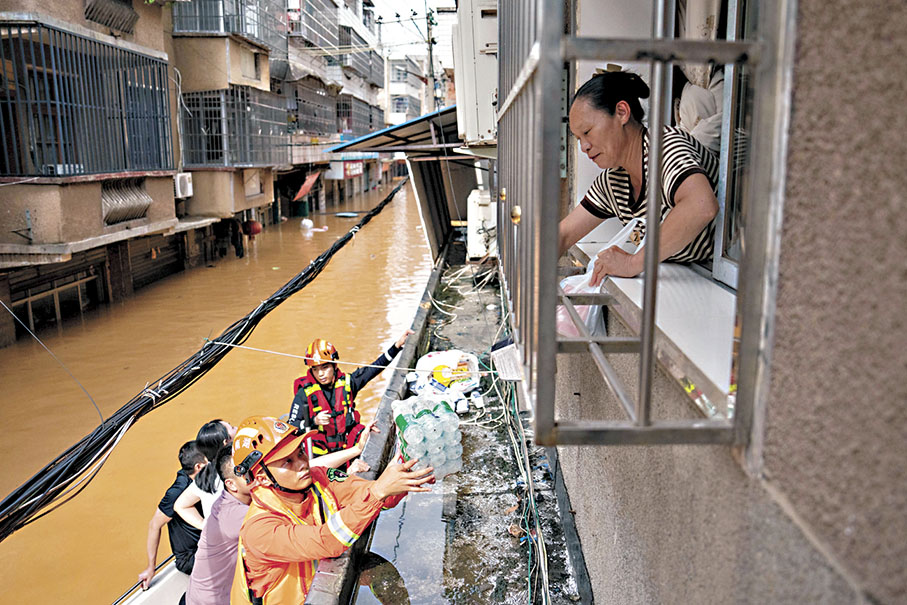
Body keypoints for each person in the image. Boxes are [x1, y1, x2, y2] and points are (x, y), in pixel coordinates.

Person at [230, 416, 433, 604]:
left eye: (300, 452)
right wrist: (379, 491)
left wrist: (409, 472)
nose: (302, 463)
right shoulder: (259, 530)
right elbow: (326, 541)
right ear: (263, 478)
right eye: (287, 462)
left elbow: (372, 495)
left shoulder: (319, 478)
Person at [558, 71, 720, 286]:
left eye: (588, 132)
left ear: (622, 112)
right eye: (579, 138)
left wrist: (633, 263)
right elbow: (564, 234)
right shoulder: (614, 181)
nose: (584, 146)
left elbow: (701, 206)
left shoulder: (664, 147)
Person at [288, 331, 414, 461]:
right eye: (315, 369)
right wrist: (314, 421)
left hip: (348, 446)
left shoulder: (348, 383)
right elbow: (291, 425)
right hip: (323, 455)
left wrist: (397, 346)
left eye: (324, 367)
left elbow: (374, 368)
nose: (320, 374)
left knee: (368, 433)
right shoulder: (304, 393)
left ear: (334, 365)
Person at [181, 446, 252, 605]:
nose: (256, 475)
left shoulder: (225, 501)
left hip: (200, 594)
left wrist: (205, 525)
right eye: (248, 473)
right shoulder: (235, 513)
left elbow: (182, 505)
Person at [138, 441, 207, 589]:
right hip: (191, 556)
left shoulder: (202, 478)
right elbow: (154, 526)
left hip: (207, 543)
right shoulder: (178, 490)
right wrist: (151, 567)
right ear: (199, 467)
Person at [175, 420, 237, 528]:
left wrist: (204, 526)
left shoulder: (206, 475)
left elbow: (180, 505)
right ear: (225, 442)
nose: (236, 427)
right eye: (231, 428)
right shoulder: (235, 469)